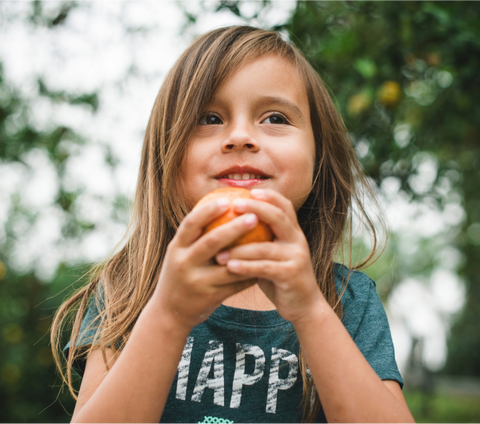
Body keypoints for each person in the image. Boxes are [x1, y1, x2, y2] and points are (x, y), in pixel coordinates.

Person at [51, 25, 415, 424]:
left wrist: (311, 311)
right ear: (166, 157)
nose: (240, 137)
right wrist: (169, 314)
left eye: (275, 117)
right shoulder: (128, 286)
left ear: (319, 156)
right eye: (209, 117)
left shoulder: (349, 301)